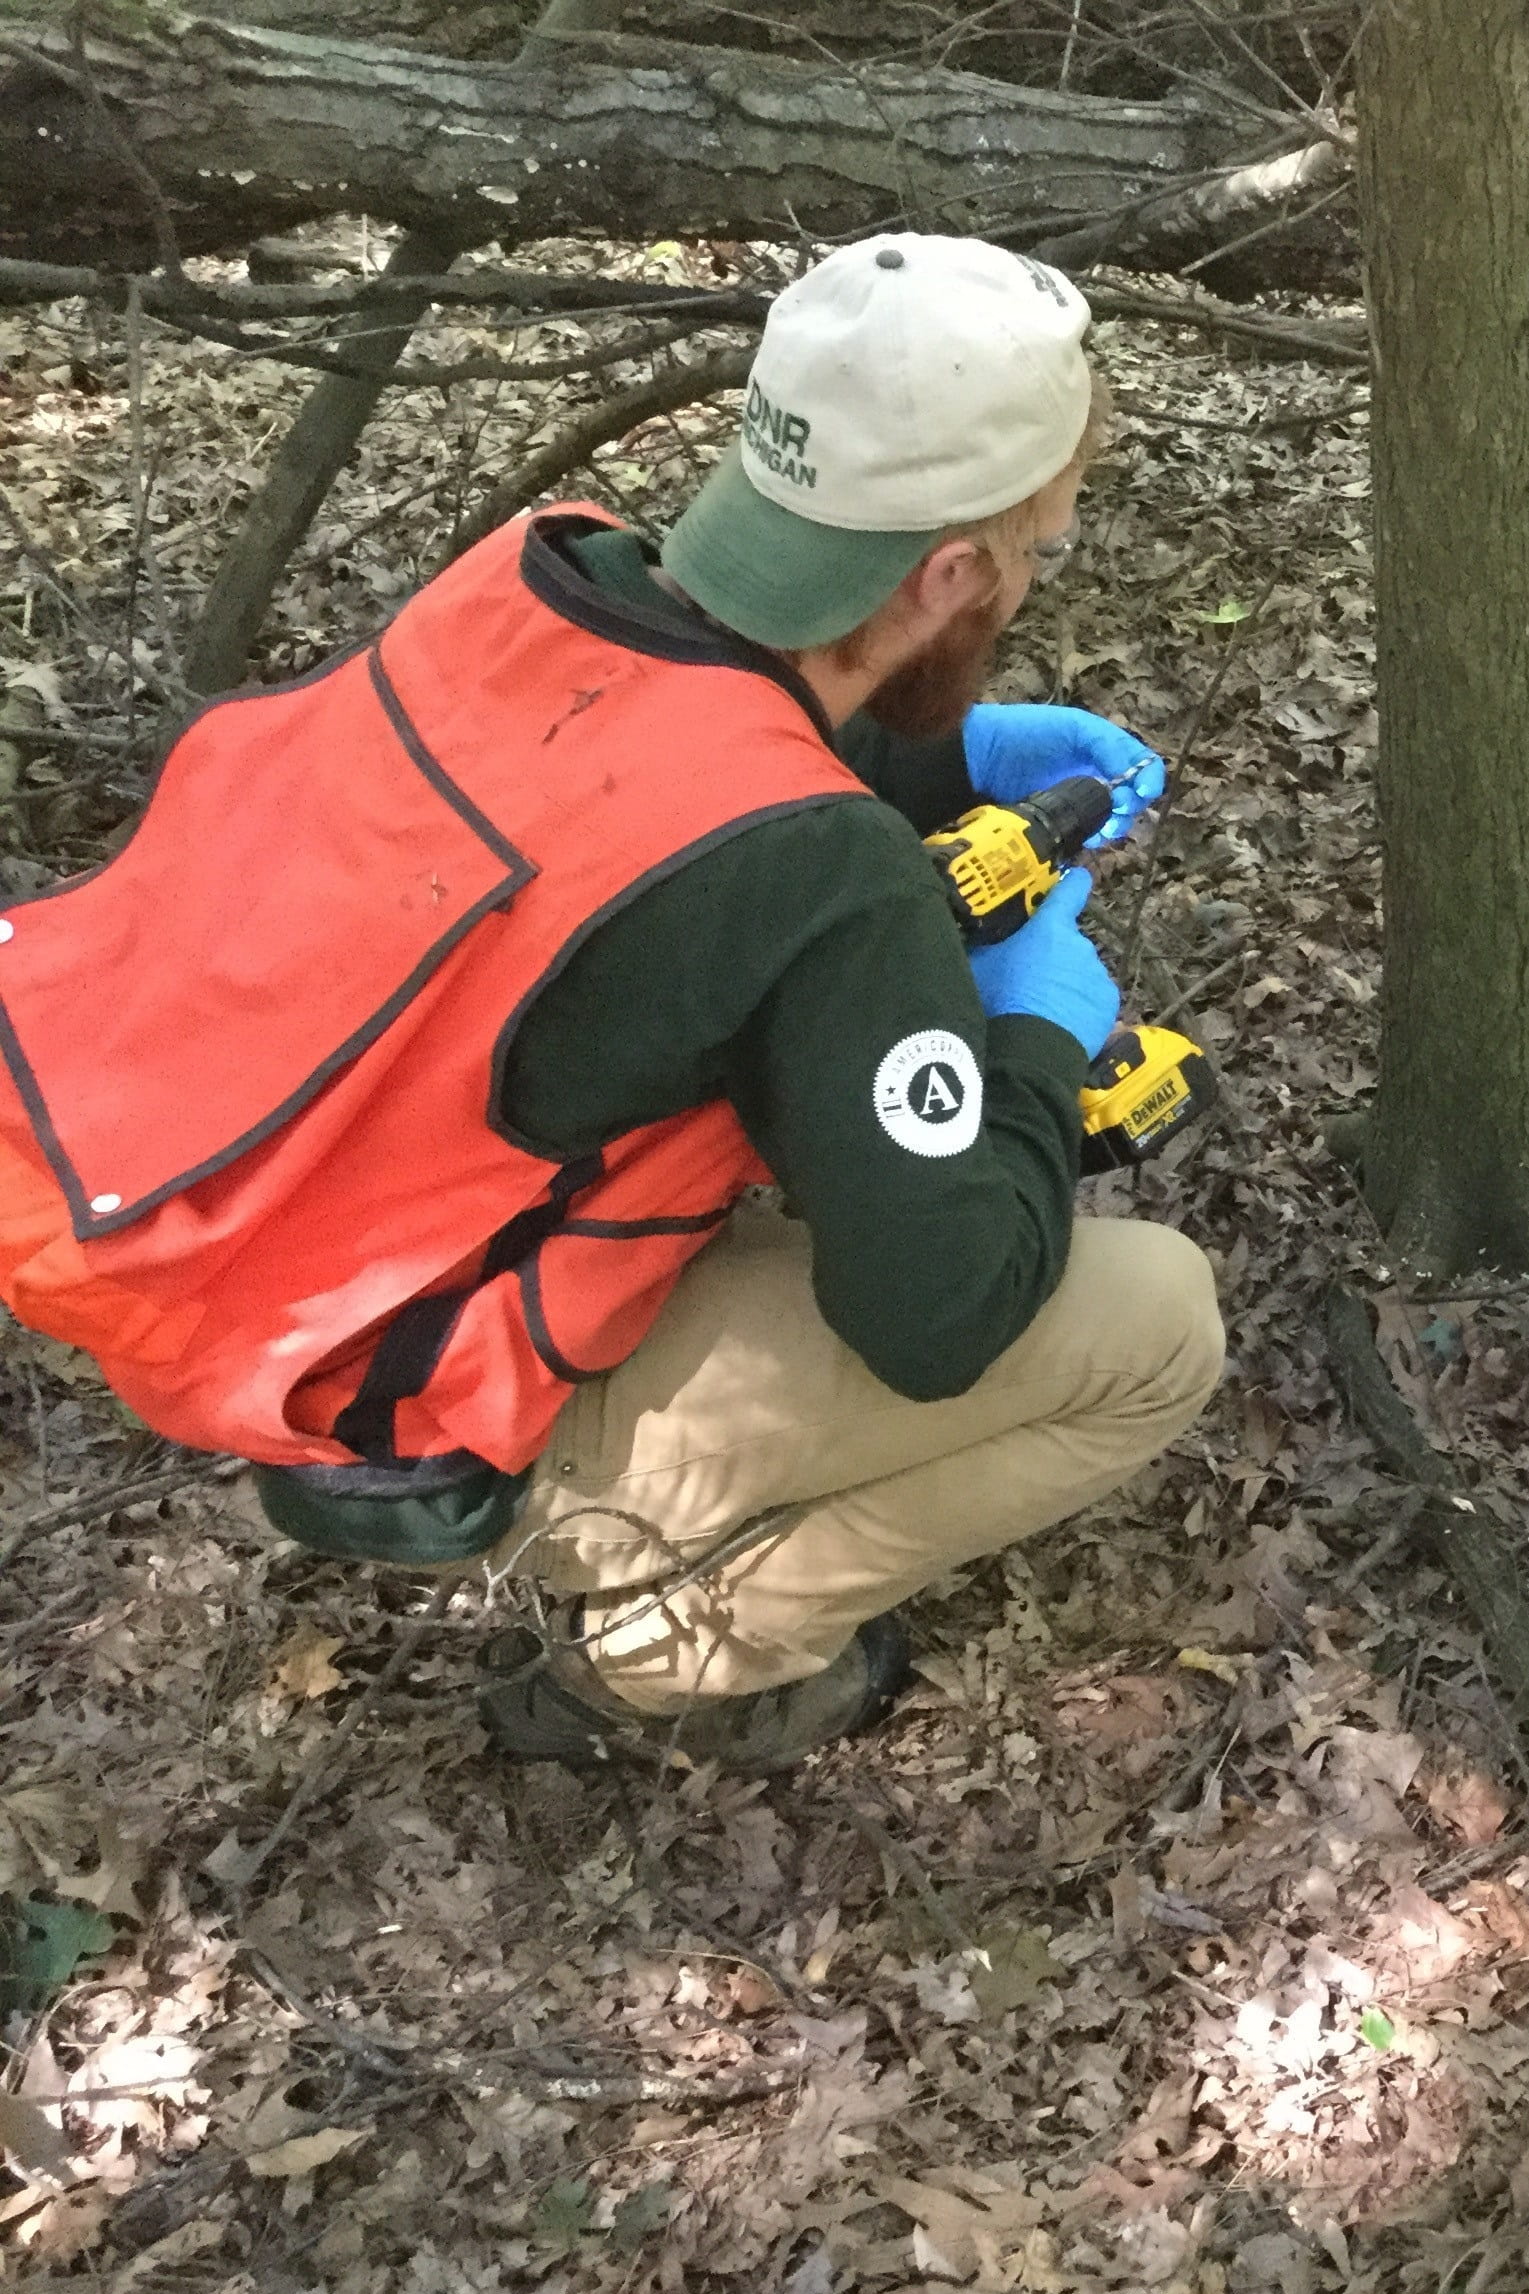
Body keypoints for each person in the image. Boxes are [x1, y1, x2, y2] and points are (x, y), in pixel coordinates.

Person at [0, 234, 1225, 1769]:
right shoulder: (831, 878)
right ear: (956, 574)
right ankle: (668, 1655)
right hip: (410, 1397)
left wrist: (943, 755)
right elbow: (940, 1317)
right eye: (1037, 544)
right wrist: (1038, 1035)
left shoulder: (537, 574)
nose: (1036, 576)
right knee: (1158, 1322)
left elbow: (650, 760)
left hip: (268, 1260)